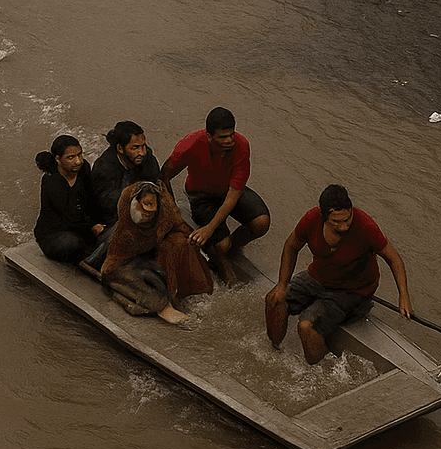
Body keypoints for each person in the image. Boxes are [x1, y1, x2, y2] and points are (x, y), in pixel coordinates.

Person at [265, 184, 412, 364]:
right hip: (318, 277)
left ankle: (320, 372)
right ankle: (274, 351)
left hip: (352, 291)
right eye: (336, 222)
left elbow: (394, 258)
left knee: (306, 325)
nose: (343, 227)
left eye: (347, 220)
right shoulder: (311, 219)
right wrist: (282, 284)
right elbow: (291, 247)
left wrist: (403, 294)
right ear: (323, 216)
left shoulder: (365, 225)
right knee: (274, 299)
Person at [160, 106, 269, 283]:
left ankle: (231, 249)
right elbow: (164, 175)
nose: (230, 140)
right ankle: (222, 258)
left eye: (231, 135)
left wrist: (210, 228)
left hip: (228, 191)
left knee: (261, 223)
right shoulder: (190, 145)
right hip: (201, 195)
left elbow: (234, 195)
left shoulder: (242, 145)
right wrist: (173, 211)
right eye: (223, 137)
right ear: (209, 136)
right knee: (221, 244)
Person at [100, 181, 213, 325]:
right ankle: (163, 305)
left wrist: (195, 245)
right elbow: (113, 262)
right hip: (126, 258)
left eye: (153, 205)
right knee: (133, 282)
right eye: (146, 204)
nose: (151, 209)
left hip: (153, 250)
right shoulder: (126, 223)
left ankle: (186, 290)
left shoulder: (165, 209)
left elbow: (180, 226)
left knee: (180, 242)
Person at [82, 120, 162, 272]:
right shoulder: (104, 168)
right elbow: (104, 204)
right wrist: (138, 198)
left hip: (144, 210)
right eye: (135, 148)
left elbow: (157, 182)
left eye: (143, 146)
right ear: (120, 148)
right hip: (110, 221)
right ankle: (92, 262)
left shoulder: (146, 158)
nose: (142, 152)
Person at [32, 134, 103, 263]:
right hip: (56, 232)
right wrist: (91, 229)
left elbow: (90, 198)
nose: (78, 161)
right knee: (72, 244)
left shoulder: (83, 168)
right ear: (58, 159)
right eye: (71, 158)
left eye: (79, 155)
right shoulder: (52, 182)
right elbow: (69, 217)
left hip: (81, 224)